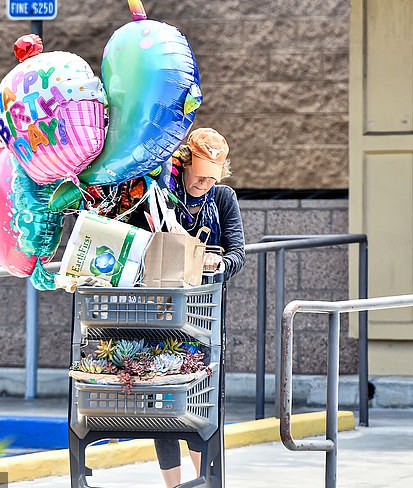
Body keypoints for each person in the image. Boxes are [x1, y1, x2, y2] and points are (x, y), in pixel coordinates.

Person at [154, 127, 245, 487]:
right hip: (158, 311)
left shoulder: (223, 199)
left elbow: (238, 252)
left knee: (201, 404)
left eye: (212, 178)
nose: (204, 183)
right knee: (161, 404)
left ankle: (205, 480)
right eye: (199, 175)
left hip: (203, 315)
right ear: (184, 164)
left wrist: (217, 264)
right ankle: (173, 485)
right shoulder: (161, 192)